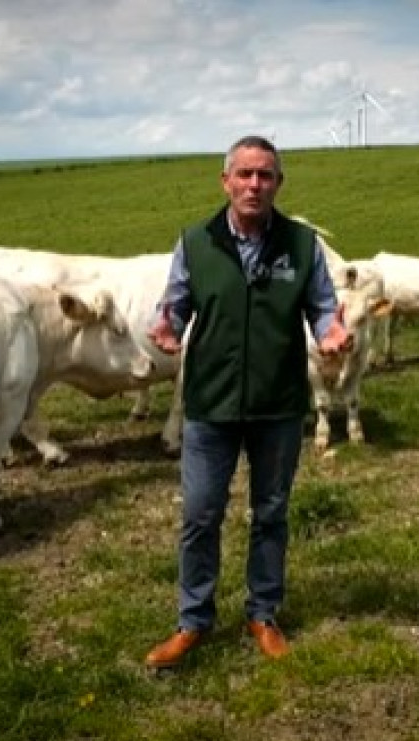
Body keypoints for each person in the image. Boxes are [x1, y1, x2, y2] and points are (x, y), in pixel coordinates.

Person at [144, 135, 353, 669]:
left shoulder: (302, 246)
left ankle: (263, 612)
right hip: (211, 404)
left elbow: (323, 308)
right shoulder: (195, 243)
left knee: (272, 513)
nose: (254, 185)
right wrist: (167, 328)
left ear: (278, 184)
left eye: (265, 175)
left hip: (278, 405)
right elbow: (178, 304)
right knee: (199, 514)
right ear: (226, 181)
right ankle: (193, 621)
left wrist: (330, 333)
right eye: (244, 174)